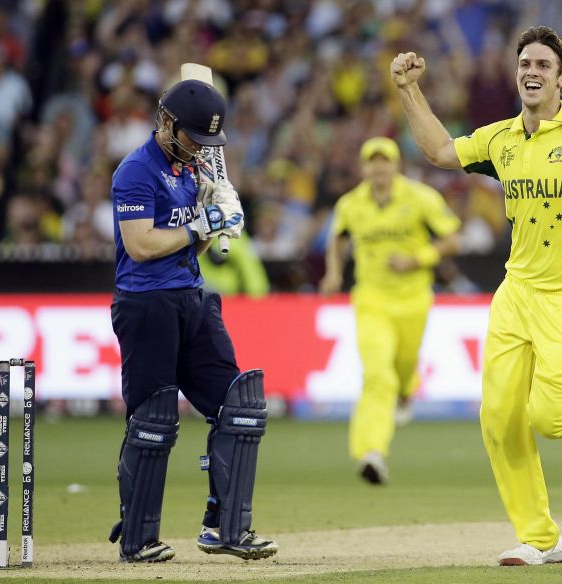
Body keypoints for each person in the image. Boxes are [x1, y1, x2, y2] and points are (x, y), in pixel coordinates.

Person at [390, 26, 562, 565]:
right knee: (498, 418)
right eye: (525, 64)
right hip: (516, 293)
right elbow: (442, 151)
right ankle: (541, 539)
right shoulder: (501, 139)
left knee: (552, 419)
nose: (532, 71)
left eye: (543, 64)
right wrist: (408, 90)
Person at [108, 79, 277, 563]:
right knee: (154, 419)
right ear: (166, 122)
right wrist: (199, 224)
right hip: (146, 306)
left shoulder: (190, 168)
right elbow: (140, 246)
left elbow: (194, 244)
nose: (202, 149)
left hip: (192, 297)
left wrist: (218, 219)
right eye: (194, 138)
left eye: (209, 142)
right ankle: (139, 539)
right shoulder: (135, 170)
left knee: (240, 405)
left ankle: (225, 529)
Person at [319, 136, 461, 485]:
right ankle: (371, 451)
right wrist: (334, 273)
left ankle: (406, 390)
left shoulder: (420, 197)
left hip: (414, 300)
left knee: (403, 367)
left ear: (396, 165)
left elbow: (453, 239)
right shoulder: (351, 204)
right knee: (378, 376)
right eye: (372, 162)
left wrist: (416, 259)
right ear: (364, 167)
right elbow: (337, 239)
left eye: (385, 161)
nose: (379, 168)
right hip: (372, 300)